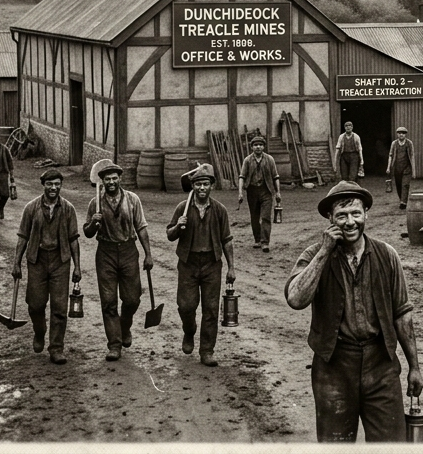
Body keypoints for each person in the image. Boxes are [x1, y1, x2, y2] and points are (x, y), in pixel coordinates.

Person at [285, 181, 423, 443]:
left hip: (381, 365)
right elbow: (295, 299)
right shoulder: (314, 254)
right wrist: (325, 252)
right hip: (334, 366)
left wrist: (414, 366)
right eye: (341, 215)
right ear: (330, 219)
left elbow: (402, 315)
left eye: (356, 214)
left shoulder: (387, 255)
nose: (350, 222)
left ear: (366, 215)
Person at [83, 159, 154, 362]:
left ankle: (125, 325)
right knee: (108, 301)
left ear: (120, 179)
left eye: (114, 178)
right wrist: (94, 224)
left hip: (128, 251)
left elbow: (141, 227)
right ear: (102, 181)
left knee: (132, 299)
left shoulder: (132, 200)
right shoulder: (95, 202)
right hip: (105, 252)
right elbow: (87, 233)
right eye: (107, 179)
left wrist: (148, 254)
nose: (111, 182)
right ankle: (114, 345)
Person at [166, 164, 235, 367]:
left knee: (211, 309)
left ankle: (207, 350)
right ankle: (189, 331)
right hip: (188, 263)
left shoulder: (220, 210)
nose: (202, 188)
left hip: (212, 264)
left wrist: (231, 267)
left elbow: (227, 240)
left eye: (205, 184)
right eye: (198, 185)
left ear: (211, 186)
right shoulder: (183, 208)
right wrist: (179, 225)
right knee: (186, 306)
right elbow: (169, 235)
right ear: (193, 187)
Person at [12, 169, 82, 364]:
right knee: (35, 304)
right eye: (50, 184)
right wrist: (16, 262)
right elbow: (23, 237)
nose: (53, 188)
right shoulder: (31, 208)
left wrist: (77, 267)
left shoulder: (68, 209)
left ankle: (56, 348)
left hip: (60, 261)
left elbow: (74, 240)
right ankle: (39, 331)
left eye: (57, 184)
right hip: (37, 260)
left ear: (61, 185)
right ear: (43, 185)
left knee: (59, 307)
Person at [237, 136, 281, 253]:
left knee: (266, 216)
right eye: (255, 145)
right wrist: (240, 192)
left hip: (266, 191)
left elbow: (275, 177)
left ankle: (265, 242)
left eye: (260, 145)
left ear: (263, 146)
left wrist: (278, 192)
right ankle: (257, 239)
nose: (258, 147)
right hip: (252, 191)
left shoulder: (269, 159)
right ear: (252, 147)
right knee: (254, 217)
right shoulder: (247, 160)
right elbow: (242, 177)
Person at [386, 127, 414, 211]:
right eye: (399, 133)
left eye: (403, 133)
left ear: (405, 134)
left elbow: (412, 156)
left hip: (407, 167)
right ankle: (402, 199)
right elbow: (390, 155)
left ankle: (403, 202)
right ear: (397, 134)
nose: (401, 134)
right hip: (397, 167)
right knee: (398, 185)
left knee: (405, 184)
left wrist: (413, 169)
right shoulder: (394, 144)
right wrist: (388, 167)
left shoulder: (409, 143)